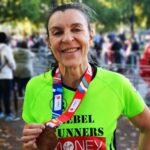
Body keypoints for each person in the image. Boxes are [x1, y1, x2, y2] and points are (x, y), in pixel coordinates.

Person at [21, 3, 150, 150]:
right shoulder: (35, 87)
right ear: (49, 42)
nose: (68, 38)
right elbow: (29, 145)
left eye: (76, 29)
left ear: (90, 35)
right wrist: (29, 147)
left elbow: (148, 127)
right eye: (57, 32)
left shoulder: (116, 84)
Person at [0, 32, 16, 121]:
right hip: (6, 75)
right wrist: (14, 68)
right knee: (7, 95)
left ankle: (0, 112)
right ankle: (8, 113)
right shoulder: (5, 48)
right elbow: (11, 62)